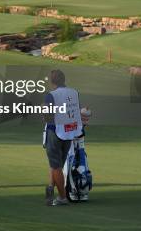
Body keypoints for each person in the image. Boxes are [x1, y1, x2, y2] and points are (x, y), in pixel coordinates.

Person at [43, 69, 82, 206]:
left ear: (52, 81)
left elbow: (47, 116)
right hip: (69, 131)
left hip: (55, 131)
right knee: (57, 164)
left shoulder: (51, 95)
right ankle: (50, 188)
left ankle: (62, 197)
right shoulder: (74, 92)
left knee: (56, 165)